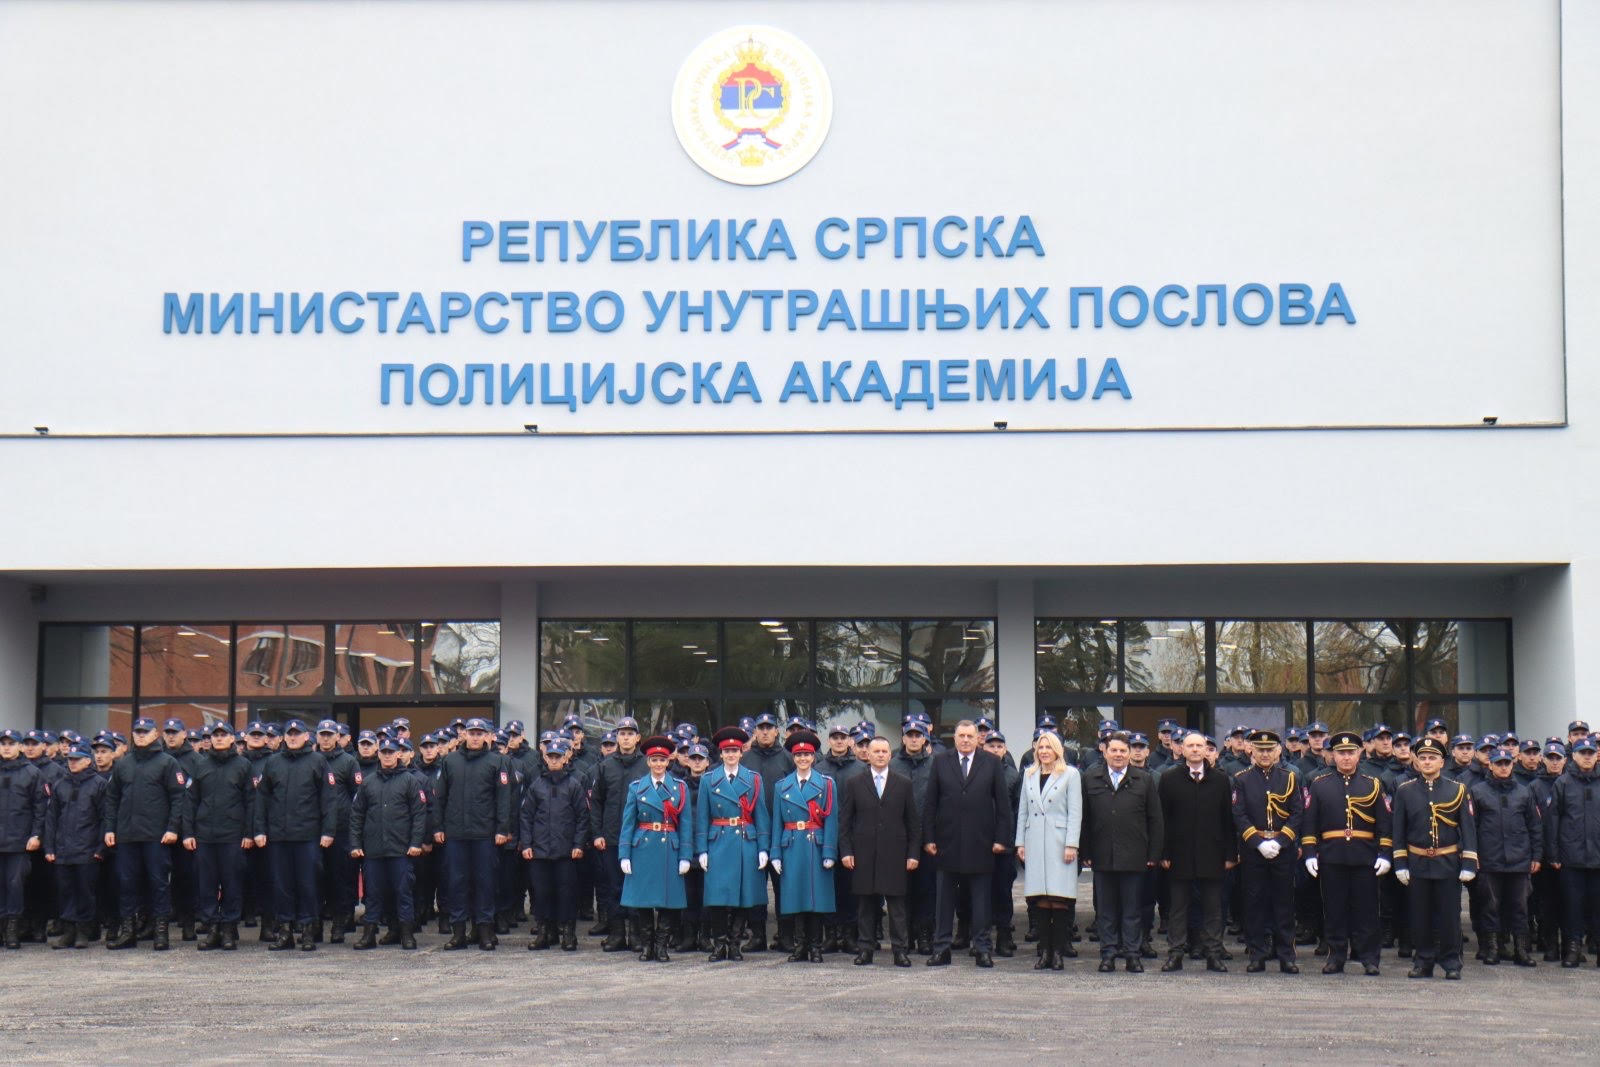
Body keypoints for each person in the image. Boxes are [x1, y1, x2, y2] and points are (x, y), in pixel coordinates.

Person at [922, 720, 1014, 969]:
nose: (965, 740)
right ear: (954, 738)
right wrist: (929, 838)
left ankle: (982, 948)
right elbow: (930, 803)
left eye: (969, 736)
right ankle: (941, 948)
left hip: (981, 842)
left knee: (981, 901)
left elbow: (1003, 806)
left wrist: (1001, 839)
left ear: (977, 739)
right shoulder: (940, 762)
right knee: (944, 901)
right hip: (946, 842)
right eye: (961, 735)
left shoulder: (991, 763)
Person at [1300, 730, 1391, 975]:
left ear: (1360, 753)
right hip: (1332, 856)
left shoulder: (1373, 784)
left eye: (1351, 752)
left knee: (1367, 910)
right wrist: (1309, 852)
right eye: (1341, 753)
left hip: (1365, 857)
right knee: (1334, 910)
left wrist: (1385, 853)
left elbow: (1384, 823)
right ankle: (1336, 956)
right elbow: (1310, 822)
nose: (1346, 757)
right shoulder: (1319, 784)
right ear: (1333, 755)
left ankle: (1369, 958)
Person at [1393, 737, 1479, 979]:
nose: (1427, 762)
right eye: (1423, 758)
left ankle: (1451, 962)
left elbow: (1468, 828)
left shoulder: (1457, 789)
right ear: (1416, 761)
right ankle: (1423, 961)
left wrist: (1469, 862)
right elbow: (1398, 831)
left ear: (1442, 762)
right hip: (1418, 862)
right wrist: (1400, 862)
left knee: (1449, 917)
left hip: (1447, 862)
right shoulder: (1405, 791)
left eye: (1432, 758)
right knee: (1420, 916)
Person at [103, 717, 189, 951]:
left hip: (156, 835)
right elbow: (112, 799)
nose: (141, 735)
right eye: (137, 731)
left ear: (155, 734)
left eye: (145, 731)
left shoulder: (167, 762)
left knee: (158, 884)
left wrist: (173, 828)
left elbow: (178, 798)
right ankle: (128, 932)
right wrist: (110, 828)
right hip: (127, 835)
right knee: (127, 884)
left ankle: (161, 933)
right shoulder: (123, 764)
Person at [1081, 732, 1163, 972]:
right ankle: (1108, 954)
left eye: (1122, 751)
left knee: (1132, 910)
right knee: (1106, 911)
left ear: (1129, 754)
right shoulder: (1090, 778)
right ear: (1105, 752)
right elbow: (1084, 818)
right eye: (1114, 750)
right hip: (1102, 854)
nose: (1118, 755)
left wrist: (1154, 854)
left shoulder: (1144, 780)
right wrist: (1086, 850)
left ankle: (1132, 955)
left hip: (1134, 855)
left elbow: (1155, 819)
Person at [252, 718, 337, 951]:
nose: (292, 737)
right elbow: (262, 799)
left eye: (297, 733)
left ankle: (308, 931)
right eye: (289, 733)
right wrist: (259, 829)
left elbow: (329, 800)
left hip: (308, 835)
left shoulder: (318, 761)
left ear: (306, 737)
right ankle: (285, 932)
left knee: (308, 884)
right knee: (281, 885)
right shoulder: (273, 762)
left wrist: (328, 831)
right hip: (278, 836)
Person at [1157, 729, 1235, 973]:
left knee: (1213, 908)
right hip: (1179, 855)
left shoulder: (1220, 780)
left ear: (1206, 750)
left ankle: (1213, 954)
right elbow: (1162, 819)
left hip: (1212, 854)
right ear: (1182, 749)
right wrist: (1163, 853)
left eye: (1199, 746)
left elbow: (1228, 820)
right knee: (1178, 909)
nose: (1194, 750)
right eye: (1189, 745)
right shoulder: (1169, 779)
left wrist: (1230, 854)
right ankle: (1176, 953)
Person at [839, 734, 920, 967]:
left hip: (895, 854)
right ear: (868, 754)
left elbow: (913, 823)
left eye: (884, 751)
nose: (880, 755)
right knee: (865, 905)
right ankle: (865, 949)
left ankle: (900, 950)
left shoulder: (903, 783)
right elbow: (845, 822)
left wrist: (913, 853)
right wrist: (846, 851)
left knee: (897, 907)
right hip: (863, 854)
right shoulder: (854, 783)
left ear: (890, 754)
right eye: (876, 751)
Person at [435, 717, 513, 951]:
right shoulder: (449, 761)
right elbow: (440, 797)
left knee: (485, 883)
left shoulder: (497, 761)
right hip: (456, 834)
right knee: (456, 883)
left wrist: (502, 829)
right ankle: (458, 933)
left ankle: (485, 932)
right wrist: (438, 827)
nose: (476, 737)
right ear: (465, 735)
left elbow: (503, 799)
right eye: (472, 733)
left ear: (487, 736)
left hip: (484, 834)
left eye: (480, 733)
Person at [694, 726, 770, 962]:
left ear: (741, 753)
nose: (730, 755)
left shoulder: (753, 779)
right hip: (718, 840)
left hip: (745, 840)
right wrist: (702, 849)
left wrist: (763, 848)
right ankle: (720, 944)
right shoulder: (709, 779)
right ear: (720, 753)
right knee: (717, 896)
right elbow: (702, 818)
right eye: (726, 751)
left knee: (743, 895)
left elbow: (761, 815)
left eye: (734, 751)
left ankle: (735, 944)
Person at [1232, 729, 1303, 974]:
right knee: (1254, 903)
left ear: (1278, 751)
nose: (1264, 754)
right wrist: (1258, 842)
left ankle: (1286, 956)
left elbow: (1297, 813)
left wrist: (1281, 841)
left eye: (1269, 750)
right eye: (1260, 749)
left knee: (1284, 903)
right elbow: (1239, 814)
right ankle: (1257, 954)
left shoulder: (1290, 777)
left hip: (1283, 849)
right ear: (1251, 750)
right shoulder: (1241, 779)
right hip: (1254, 849)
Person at [619, 735, 693, 962]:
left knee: (668, 900)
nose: (659, 764)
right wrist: (624, 854)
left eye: (662, 760)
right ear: (648, 762)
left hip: (669, 846)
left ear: (669, 762)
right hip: (643, 847)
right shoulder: (636, 788)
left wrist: (685, 855)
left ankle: (661, 946)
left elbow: (686, 824)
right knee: (643, 900)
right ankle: (647, 945)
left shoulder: (679, 788)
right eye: (654, 760)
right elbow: (628, 823)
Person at [349, 737, 426, 950]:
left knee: (403, 892)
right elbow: (357, 815)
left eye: (391, 752)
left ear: (398, 754)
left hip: (401, 849)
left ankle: (406, 934)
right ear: (379, 754)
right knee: (373, 894)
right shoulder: (368, 782)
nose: (388, 756)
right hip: (373, 849)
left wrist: (416, 842)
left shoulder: (410, 781)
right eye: (384, 752)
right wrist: (355, 844)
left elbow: (419, 815)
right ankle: (369, 935)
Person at [769, 729, 839, 963]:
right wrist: (775, 853)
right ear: (793, 757)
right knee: (796, 896)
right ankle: (800, 946)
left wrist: (829, 851)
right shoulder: (782, 786)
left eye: (807, 755)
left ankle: (816, 946)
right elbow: (777, 822)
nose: (803, 759)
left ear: (813, 757)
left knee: (816, 898)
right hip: (791, 844)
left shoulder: (826, 784)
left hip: (815, 845)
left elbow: (832, 820)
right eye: (798, 755)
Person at [1015, 730, 1082, 971]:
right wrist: (1020, 842)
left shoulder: (1070, 774)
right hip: (1035, 840)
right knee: (1041, 899)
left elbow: (1075, 811)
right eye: (1040, 748)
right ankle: (1044, 951)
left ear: (1057, 750)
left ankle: (1058, 952)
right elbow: (1023, 810)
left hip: (1059, 841)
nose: (1044, 751)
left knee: (1059, 899)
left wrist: (1072, 843)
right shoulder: (1029, 774)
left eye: (1048, 747)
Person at [1469, 747, 1542, 966]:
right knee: (1490, 906)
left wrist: (1536, 856)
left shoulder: (1524, 792)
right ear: (1490, 765)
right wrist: (1473, 855)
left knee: (1520, 907)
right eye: (1498, 763)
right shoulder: (1477, 791)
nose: (1503, 767)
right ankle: (1493, 949)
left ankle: (1521, 950)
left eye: (1507, 763)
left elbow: (1535, 826)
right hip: (1489, 859)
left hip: (1519, 859)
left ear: (1512, 764)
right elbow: (1471, 827)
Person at [190, 723, 254, 952]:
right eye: (214, 735)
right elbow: (191, 800)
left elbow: (251, 801)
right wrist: (189, 832)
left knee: (232, 883)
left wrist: (249, 832)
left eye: (223, 735)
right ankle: (212, 928)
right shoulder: (201, 765)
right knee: (206, 884)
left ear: (232, 739)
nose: (218, 739)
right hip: (205, 835)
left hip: (232, 835)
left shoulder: (243, 765)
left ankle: (229, 928)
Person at [520, 735, 588, 952]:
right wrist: (526, 844)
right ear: (545, 758)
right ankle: (545, 933)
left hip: (566, 852)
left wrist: (578, 844)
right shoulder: (536, 786)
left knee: (567, 894)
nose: (554, 760)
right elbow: (526, 816)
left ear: (565, 758)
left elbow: (582, 817)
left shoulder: (574, 785)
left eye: (558, 756)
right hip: (540, 851)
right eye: (551, 756)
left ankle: (568, 934)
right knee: (541, 894)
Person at [589, 716, 648, 952]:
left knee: (636, 887)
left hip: (639, 838)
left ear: (637, 737)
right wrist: (597, 833)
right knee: (614, 887)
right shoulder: (605, 767)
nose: (625, 738)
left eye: (630, 734)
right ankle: (616, 934)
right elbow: (596, 803)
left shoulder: (646, 766)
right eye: (622, 734)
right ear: (616, 737)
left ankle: (636, 935)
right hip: (611, 837)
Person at [740, 710, 794, 952]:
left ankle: (786, 936)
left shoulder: (788, 759)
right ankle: (758, 936)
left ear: (777, 731)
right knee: (755, 887)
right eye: (760, 728)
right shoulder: (745, 759)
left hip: (782, 832)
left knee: (784, 887)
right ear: (754, 732)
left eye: (769, 728)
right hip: (752, 834)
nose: (764, 732)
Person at [43, 744, 106, 950]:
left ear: (88, 761)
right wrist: (49, 847)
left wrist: (100, 848)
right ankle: (68, 931)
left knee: (85, 891)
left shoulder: (98, 784)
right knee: (65, 891)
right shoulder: (60, 784)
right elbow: (51, 819)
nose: (73, 762)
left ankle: (82, 931)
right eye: (70, 759)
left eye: (77, 759)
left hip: (87, 849)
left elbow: (104, 818)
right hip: (63, 849)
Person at [1552, 734, 1600, 968]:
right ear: (1574, 756)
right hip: (1571, 857)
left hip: (1599, 858)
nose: (1587, 757)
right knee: (1572, 906)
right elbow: (1553, 821)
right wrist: (1554, 854)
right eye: (1583, 753)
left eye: (1591, 753)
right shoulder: (1562, 783)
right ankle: (1572, 949)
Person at [890, 716, 936, 953]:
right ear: (903, 738)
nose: (914, 739)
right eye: (910, 735)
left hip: (927, 838)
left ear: (925, 738)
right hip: (900, 837)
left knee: (926, 889)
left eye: (918, 735)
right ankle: (904, 936)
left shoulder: (936, 764)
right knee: (902, 890)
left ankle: (925, 935)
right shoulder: (892, 765)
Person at [315, 719, 360, 945]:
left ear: (337, 737)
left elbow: (357, 796)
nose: (325, 738)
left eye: (329, 734)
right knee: (314, 880)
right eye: (322, 734)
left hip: (341, 829)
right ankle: (314, 927)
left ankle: (339, 925)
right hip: (314, 828)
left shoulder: (348, 761)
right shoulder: (311, 759)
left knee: (340, 879)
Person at [984, 730, 1023, 958]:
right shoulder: (976, 771)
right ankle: (981, 937)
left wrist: (1015, 841)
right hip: (980, 842)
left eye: (999, 746)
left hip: (1005, 844)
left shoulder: (1013, 775)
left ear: (1005, 749)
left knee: (1003, 891)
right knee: (980, 892)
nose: (995, 749)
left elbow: (1018, 811)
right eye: (991, 745)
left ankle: (1004, 936)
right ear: (983, 747)